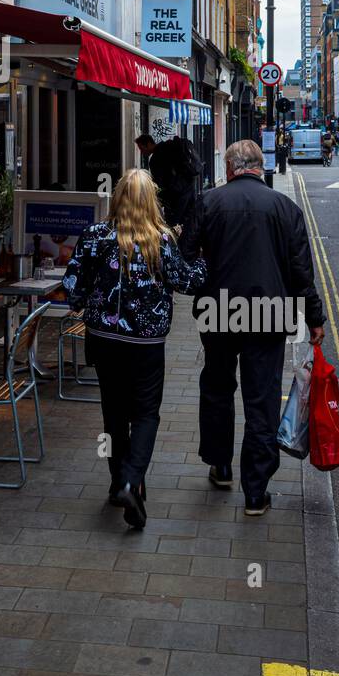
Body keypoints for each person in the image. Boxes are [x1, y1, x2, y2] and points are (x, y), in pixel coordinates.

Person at [180, 140, 325, 516]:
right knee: (261, 399)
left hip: (219, 311)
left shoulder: (208, 202)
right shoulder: (285, 208)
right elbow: (301, 271)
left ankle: (221, 466)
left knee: (217, 387)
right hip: (270, 313)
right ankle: (256, 493)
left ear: (229, 168)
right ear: (260, 167)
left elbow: (185, 257)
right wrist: (315, 319)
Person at [63, 169, 206, 530]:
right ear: (150, 201)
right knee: (145, 414)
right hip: (145, 344)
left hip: (103, 341)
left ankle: (118, 483)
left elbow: (72, 290)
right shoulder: (162, 239)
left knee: (113, 413)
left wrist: (85, 301)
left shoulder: (95, 236)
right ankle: (130, 481)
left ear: (118, 198)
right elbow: (187, 282)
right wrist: (205, 260)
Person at [135, 133, 202, 228]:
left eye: (142, 148)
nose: (142, 152)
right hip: (189, 190)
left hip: (175, 198)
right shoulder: (170, 147)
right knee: (188, 224)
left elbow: (160, 185)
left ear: (149, 144)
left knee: (172, 227)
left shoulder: (155, 159)